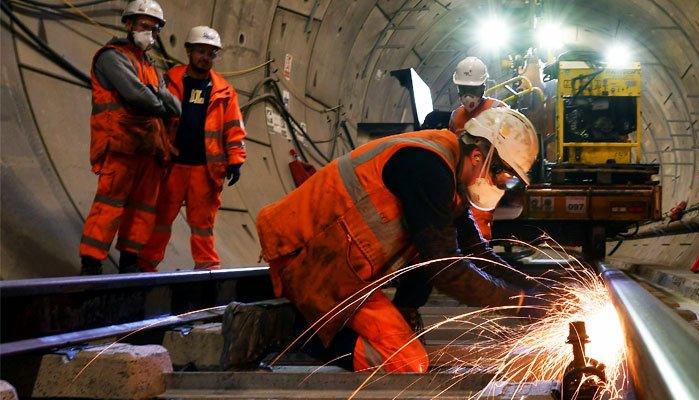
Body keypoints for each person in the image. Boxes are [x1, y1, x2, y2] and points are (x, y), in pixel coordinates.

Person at [256, 108, 542, 373]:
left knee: (428, 252)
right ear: (480, 155)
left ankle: (332, 324)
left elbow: (475, 250)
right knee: (407, 361)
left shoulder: (448, 170)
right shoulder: (428, 168)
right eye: (504, 176)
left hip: (343, 266)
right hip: (307, 258)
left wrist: (536, 287)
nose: (503, 184)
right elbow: (445, 267)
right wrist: (517, 302)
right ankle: (295, 334)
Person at [79, 0, 180, 275]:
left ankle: (130, 262)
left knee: (143, 209)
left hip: (148, 149)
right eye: (145, 26)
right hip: (122, 145)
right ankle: (91, 263)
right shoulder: (113, 57)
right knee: (109, 205)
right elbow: (137, 97)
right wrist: (158, 99)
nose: (150, 33)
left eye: (155, 29)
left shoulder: (148, 64)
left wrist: (155, 96)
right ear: (129, 24)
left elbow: (176, 106)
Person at [135, 26, 246, 272]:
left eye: (210, 53)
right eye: (200, 51)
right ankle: (145, 266)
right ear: (189, 51)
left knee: (203, 225)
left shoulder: (224, 92)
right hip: (172, 165)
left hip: (205, 171)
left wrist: (236, 158)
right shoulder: (171, 79)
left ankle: (207, 270)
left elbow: (233, 128)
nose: (205, 57)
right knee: (161, 219)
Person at [448, 56, 510, 240]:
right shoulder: (456, 116)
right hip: (461, 180)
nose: (468, 95)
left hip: (486, 180)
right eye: (463, 89)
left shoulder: (499, 111)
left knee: (478, 219)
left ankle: (479, 256)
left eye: (472, 89)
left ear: (483, 87)